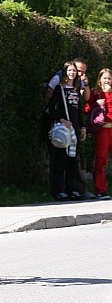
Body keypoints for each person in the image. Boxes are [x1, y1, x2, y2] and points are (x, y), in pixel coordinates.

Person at [42, 57, 94, 199]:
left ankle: (71, 189)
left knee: (72, 160)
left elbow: (78, 111)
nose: (72, 73)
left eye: (74, 71)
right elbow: (51, 107)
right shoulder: (59, 88)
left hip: (75, 129)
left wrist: (82, 127)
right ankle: (58, 191)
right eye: (69, 70)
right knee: (60, 160)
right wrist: (62, 119)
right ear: (65, 72)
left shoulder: (76, 89)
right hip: (63, 129)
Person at [84, 68, 112, 200]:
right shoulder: (96, 93)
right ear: (100, 79)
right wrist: (97, 105)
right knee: (101, 159)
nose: (107, 80)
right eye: (105, 78)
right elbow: (87, 109)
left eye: (109, 78)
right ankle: (101, 190)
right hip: (103, 130)